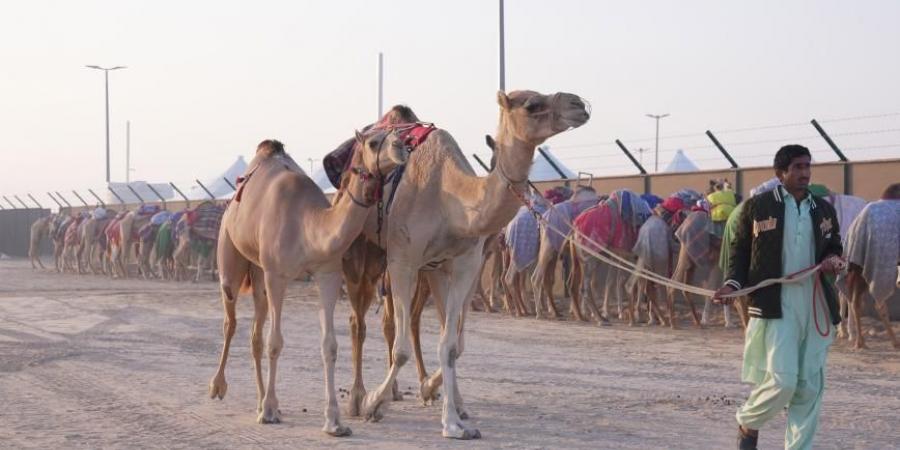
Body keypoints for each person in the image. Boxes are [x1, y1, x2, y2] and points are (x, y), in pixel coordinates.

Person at [713, 145, 843, 450]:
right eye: (797, 167)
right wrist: (732, 285)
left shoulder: (823, 209)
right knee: (783, 382)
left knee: (809, 387)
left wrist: (834, 259)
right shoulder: (757, 207)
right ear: (780, 173)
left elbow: (832, 245)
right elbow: (740, 253)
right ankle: (748, 420)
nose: (804, 173)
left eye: (807, 166)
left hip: (814, 304)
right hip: (776, 303)